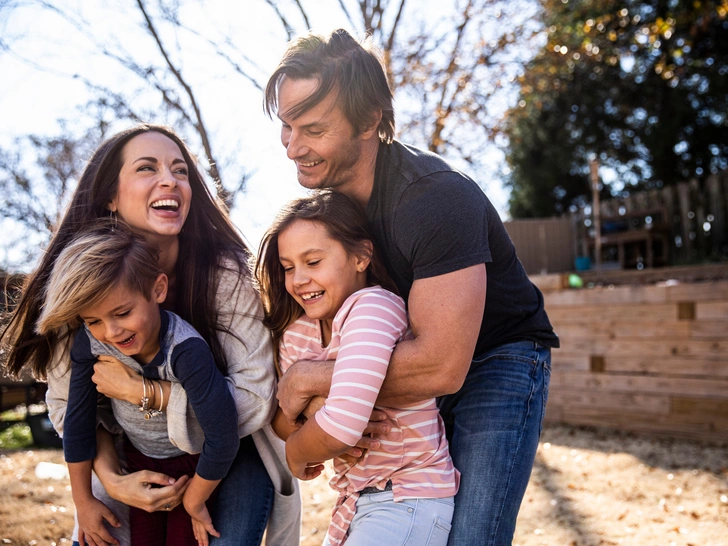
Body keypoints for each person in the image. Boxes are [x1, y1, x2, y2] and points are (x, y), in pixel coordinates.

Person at [264, 29, 560, 546]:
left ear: (370, 120)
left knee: (470, 535)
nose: (293, 148)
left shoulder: (435, 199)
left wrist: (311, 380)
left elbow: (442, 366)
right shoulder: (331, 216)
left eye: (312, 129)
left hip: (497, 360)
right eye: (287, 128)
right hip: (403, 356)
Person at [0, 124, 300, 546]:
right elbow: (71, 406)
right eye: (147, 168)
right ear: (110, 196)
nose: (169, 180)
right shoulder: (82, 280)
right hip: (130, 450)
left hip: (229, 451)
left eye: (180, 170)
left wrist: (146, 392)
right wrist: (110, 478)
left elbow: (252, 400)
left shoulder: (226, 273)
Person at [256, 190, 459, 546]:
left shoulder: (373, 308)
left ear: (361, 256)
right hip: (356, 501)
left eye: (313, 261)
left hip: (409, 495)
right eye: (288, 268)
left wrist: (296, 451)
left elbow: (340, 429)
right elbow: (284, 417)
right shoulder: (298, 335)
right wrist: (311, 421)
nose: (298, 279)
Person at [36, 222, 239, 546]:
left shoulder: (186, 350)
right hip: (138, 460)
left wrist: (195, 499)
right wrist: (83, 500)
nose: (111, 332)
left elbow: (223, 436)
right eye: (94, 321)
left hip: (193, 465)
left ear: (157, 290)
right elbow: (79, 422)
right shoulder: (89, 343)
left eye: (123, 312)